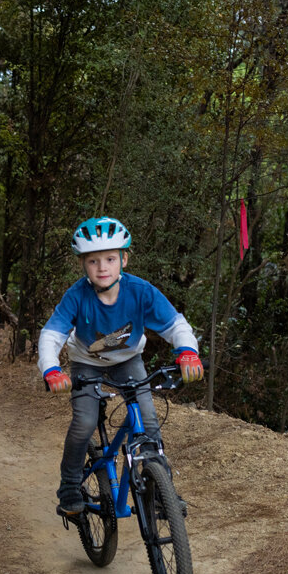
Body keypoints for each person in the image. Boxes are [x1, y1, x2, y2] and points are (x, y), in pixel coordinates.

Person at [38, 216, 203, 517]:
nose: (102, 268)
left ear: (124, 259)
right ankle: (70, 486)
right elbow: (52, 334)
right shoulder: (77, 296)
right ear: (83, 265)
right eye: (93, 261)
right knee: (85, 424)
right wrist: (51, 369)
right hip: (86, 363)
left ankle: (156, 495)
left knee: (149, 422)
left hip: (128, 361)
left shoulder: (140, 292)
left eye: (110, 259)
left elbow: (175, 324)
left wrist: (188, 352)